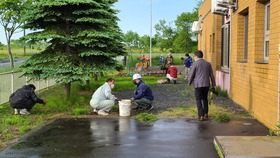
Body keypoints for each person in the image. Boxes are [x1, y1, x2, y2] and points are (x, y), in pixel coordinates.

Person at [188, 50, 216, 121]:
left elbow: (192, 74)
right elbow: (211, 75)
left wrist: (189, 82)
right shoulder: (208, 64)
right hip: (206, 84)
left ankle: (201, 115)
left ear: (196, 56)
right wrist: (214, 84)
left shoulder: (195, 64)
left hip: (198, 85)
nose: (194, 57)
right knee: (205, 98)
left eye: (194, 56)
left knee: (198, 99)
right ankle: (206, 113)